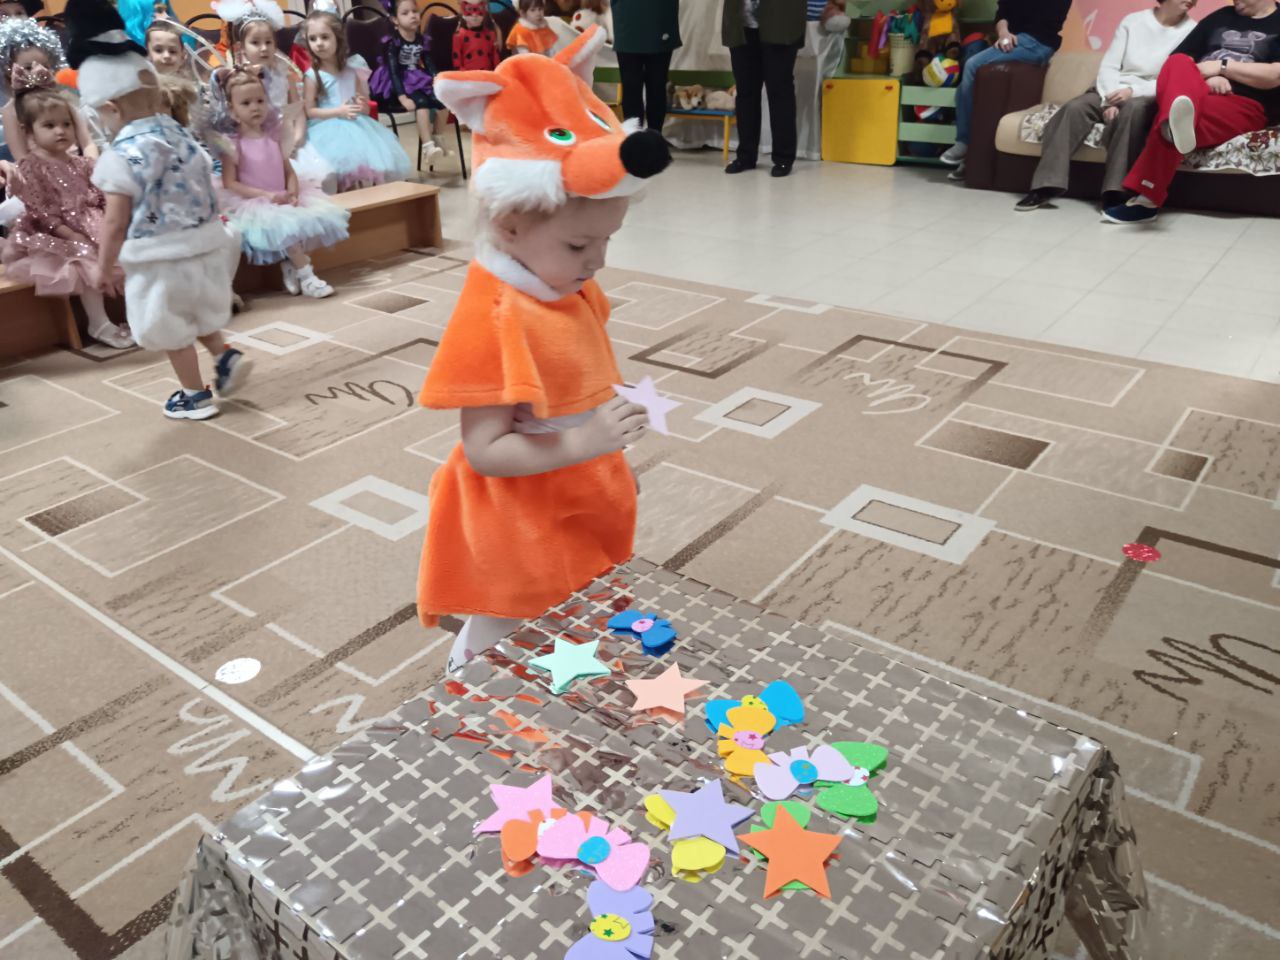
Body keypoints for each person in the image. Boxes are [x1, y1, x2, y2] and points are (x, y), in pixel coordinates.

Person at [422, 26, 671, 671]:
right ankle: (469, 672)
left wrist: (601, 432)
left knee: (575, 588)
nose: (598, 260)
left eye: (608, 240)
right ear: (509, 224)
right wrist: (583, 442)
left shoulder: (566, 285)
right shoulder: (496, 317)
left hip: (573, 479)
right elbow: (484, 450)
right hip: (519, 506)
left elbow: (578, 363)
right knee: (512, 606)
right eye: (579, 245)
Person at [67, 0, 248, 420]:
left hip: (158, 259)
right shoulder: (179, 134)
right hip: (204, 245)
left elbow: (115, 220)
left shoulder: (121, 155)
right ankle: (224, 355)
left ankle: (194, 396)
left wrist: (104, 266)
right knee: (198, 311)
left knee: (170, 327)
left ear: (111, 108)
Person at [1104, 0, 1280, 223]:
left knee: (1176, 116)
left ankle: (1147, 198)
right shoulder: (1221, 16)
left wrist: (1222, 67)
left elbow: (1275, 75)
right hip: (1196, 91)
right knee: (1177, 65)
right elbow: (1183, 60)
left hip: (1244, 102)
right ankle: (1174, 121)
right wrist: (1207, 78)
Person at [1018, 0, 1198, 211]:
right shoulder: (1133, 21)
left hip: (1146, 94)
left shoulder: (1193, 30)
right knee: (1074, 109)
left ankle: (1116, 192)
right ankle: (1045, 186)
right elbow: (1110, 65)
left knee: (1133, 111)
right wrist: (1108, 101)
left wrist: (1131, 92)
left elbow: (1173, 78)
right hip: (1110, 89)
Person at [0, 80, 132, 347]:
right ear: (30, 132)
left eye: (66, 124)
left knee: (126, 252)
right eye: (49, 126)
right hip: (56, 233)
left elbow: (98, 194)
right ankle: (98, 322)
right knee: (85, 261)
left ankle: (136, 315)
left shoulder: (81, 163)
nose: (60, 131)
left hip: (92, 223)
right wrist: (72, 235)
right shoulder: (32, 167)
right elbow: (41, 211)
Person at [214, 67, 347, 298]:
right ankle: (307, 276)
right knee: (286, 229)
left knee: (299, 222)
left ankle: (290, 265)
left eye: (260, 101)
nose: (255, 107)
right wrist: (268, 196)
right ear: (232, 110)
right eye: (246, 103)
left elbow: (288, 171)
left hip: (283, 195)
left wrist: (293, 192)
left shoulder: (274, 135)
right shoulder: (232, 144)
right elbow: (230, 183)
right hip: (254, 201)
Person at [215, 0, 336, 192]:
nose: (263, 48)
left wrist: (296, 139)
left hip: (287, 140)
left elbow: (298, 111)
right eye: (255, 43)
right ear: (242, 47)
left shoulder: (284, 76)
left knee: (321, 176)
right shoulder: (237, 81)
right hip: (254, 147)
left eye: (268, 42)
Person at [940, 0, 1072, 171]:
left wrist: (1012, 37)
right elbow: (1003, 12)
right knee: (969, 85)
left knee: (973, 65)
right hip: (1014, 38)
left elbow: (1044, 23)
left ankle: (964, 143)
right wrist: (1004, 33)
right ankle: (971, 159)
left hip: (1038, 43)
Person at [302, 8, 411, 191]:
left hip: (358, 126)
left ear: (338, 38)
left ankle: (369, 198)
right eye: (312, 39)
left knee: (366, 170)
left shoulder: (352, 70)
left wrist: (362, 107)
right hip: (327, 129)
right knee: (341, 171)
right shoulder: (313, 75)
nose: (319, 43)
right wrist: (338, 111)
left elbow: (365, 107)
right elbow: (309, 111)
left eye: (325, 37)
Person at [722, 0, 806, 178]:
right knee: (745, 92)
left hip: (781, 24)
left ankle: (784, 157)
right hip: (741, 24)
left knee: (779, 91)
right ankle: (746, 155)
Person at [0, 17, 97, 161]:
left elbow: (88, 142)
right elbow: (22, 158)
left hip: (79, 166)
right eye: (28, 67)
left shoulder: (63, 98)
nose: (38, 71)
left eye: (45, 66)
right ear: (9, 70)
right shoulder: (12, 111)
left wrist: (91, 164)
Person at [369, 0, 449, 165]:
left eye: (414, 11)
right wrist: (402, 97)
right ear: (395, 20)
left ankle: (437, 136)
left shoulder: (421, 39)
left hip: (416, 77)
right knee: (422, 102)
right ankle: (428, 147)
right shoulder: (392, 42)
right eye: (405, 13)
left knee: (443, 101)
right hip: (395, 82)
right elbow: (393, 71)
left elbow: (428, 63)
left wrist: (438, 80)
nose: (412, 16)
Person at [613, 0, 680, 132]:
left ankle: (653, 138)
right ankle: (635, 139)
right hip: (627, 23)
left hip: (659, 21)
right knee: (632, 90)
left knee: (656, 88)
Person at [145, 19, 199, 127]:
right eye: (158, 50)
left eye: (173, 51)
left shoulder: (193, 89)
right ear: (148, 53)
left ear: (183, 56)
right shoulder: (145, 90)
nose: (166, 56)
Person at [453, 0, 502, 71]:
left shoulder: (491, 35)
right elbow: (457, 64)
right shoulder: (458, 36)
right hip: (468, 75)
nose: (474, 14)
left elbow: (496, 61)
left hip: (488, 74)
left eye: (480, 8)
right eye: (469, 9)